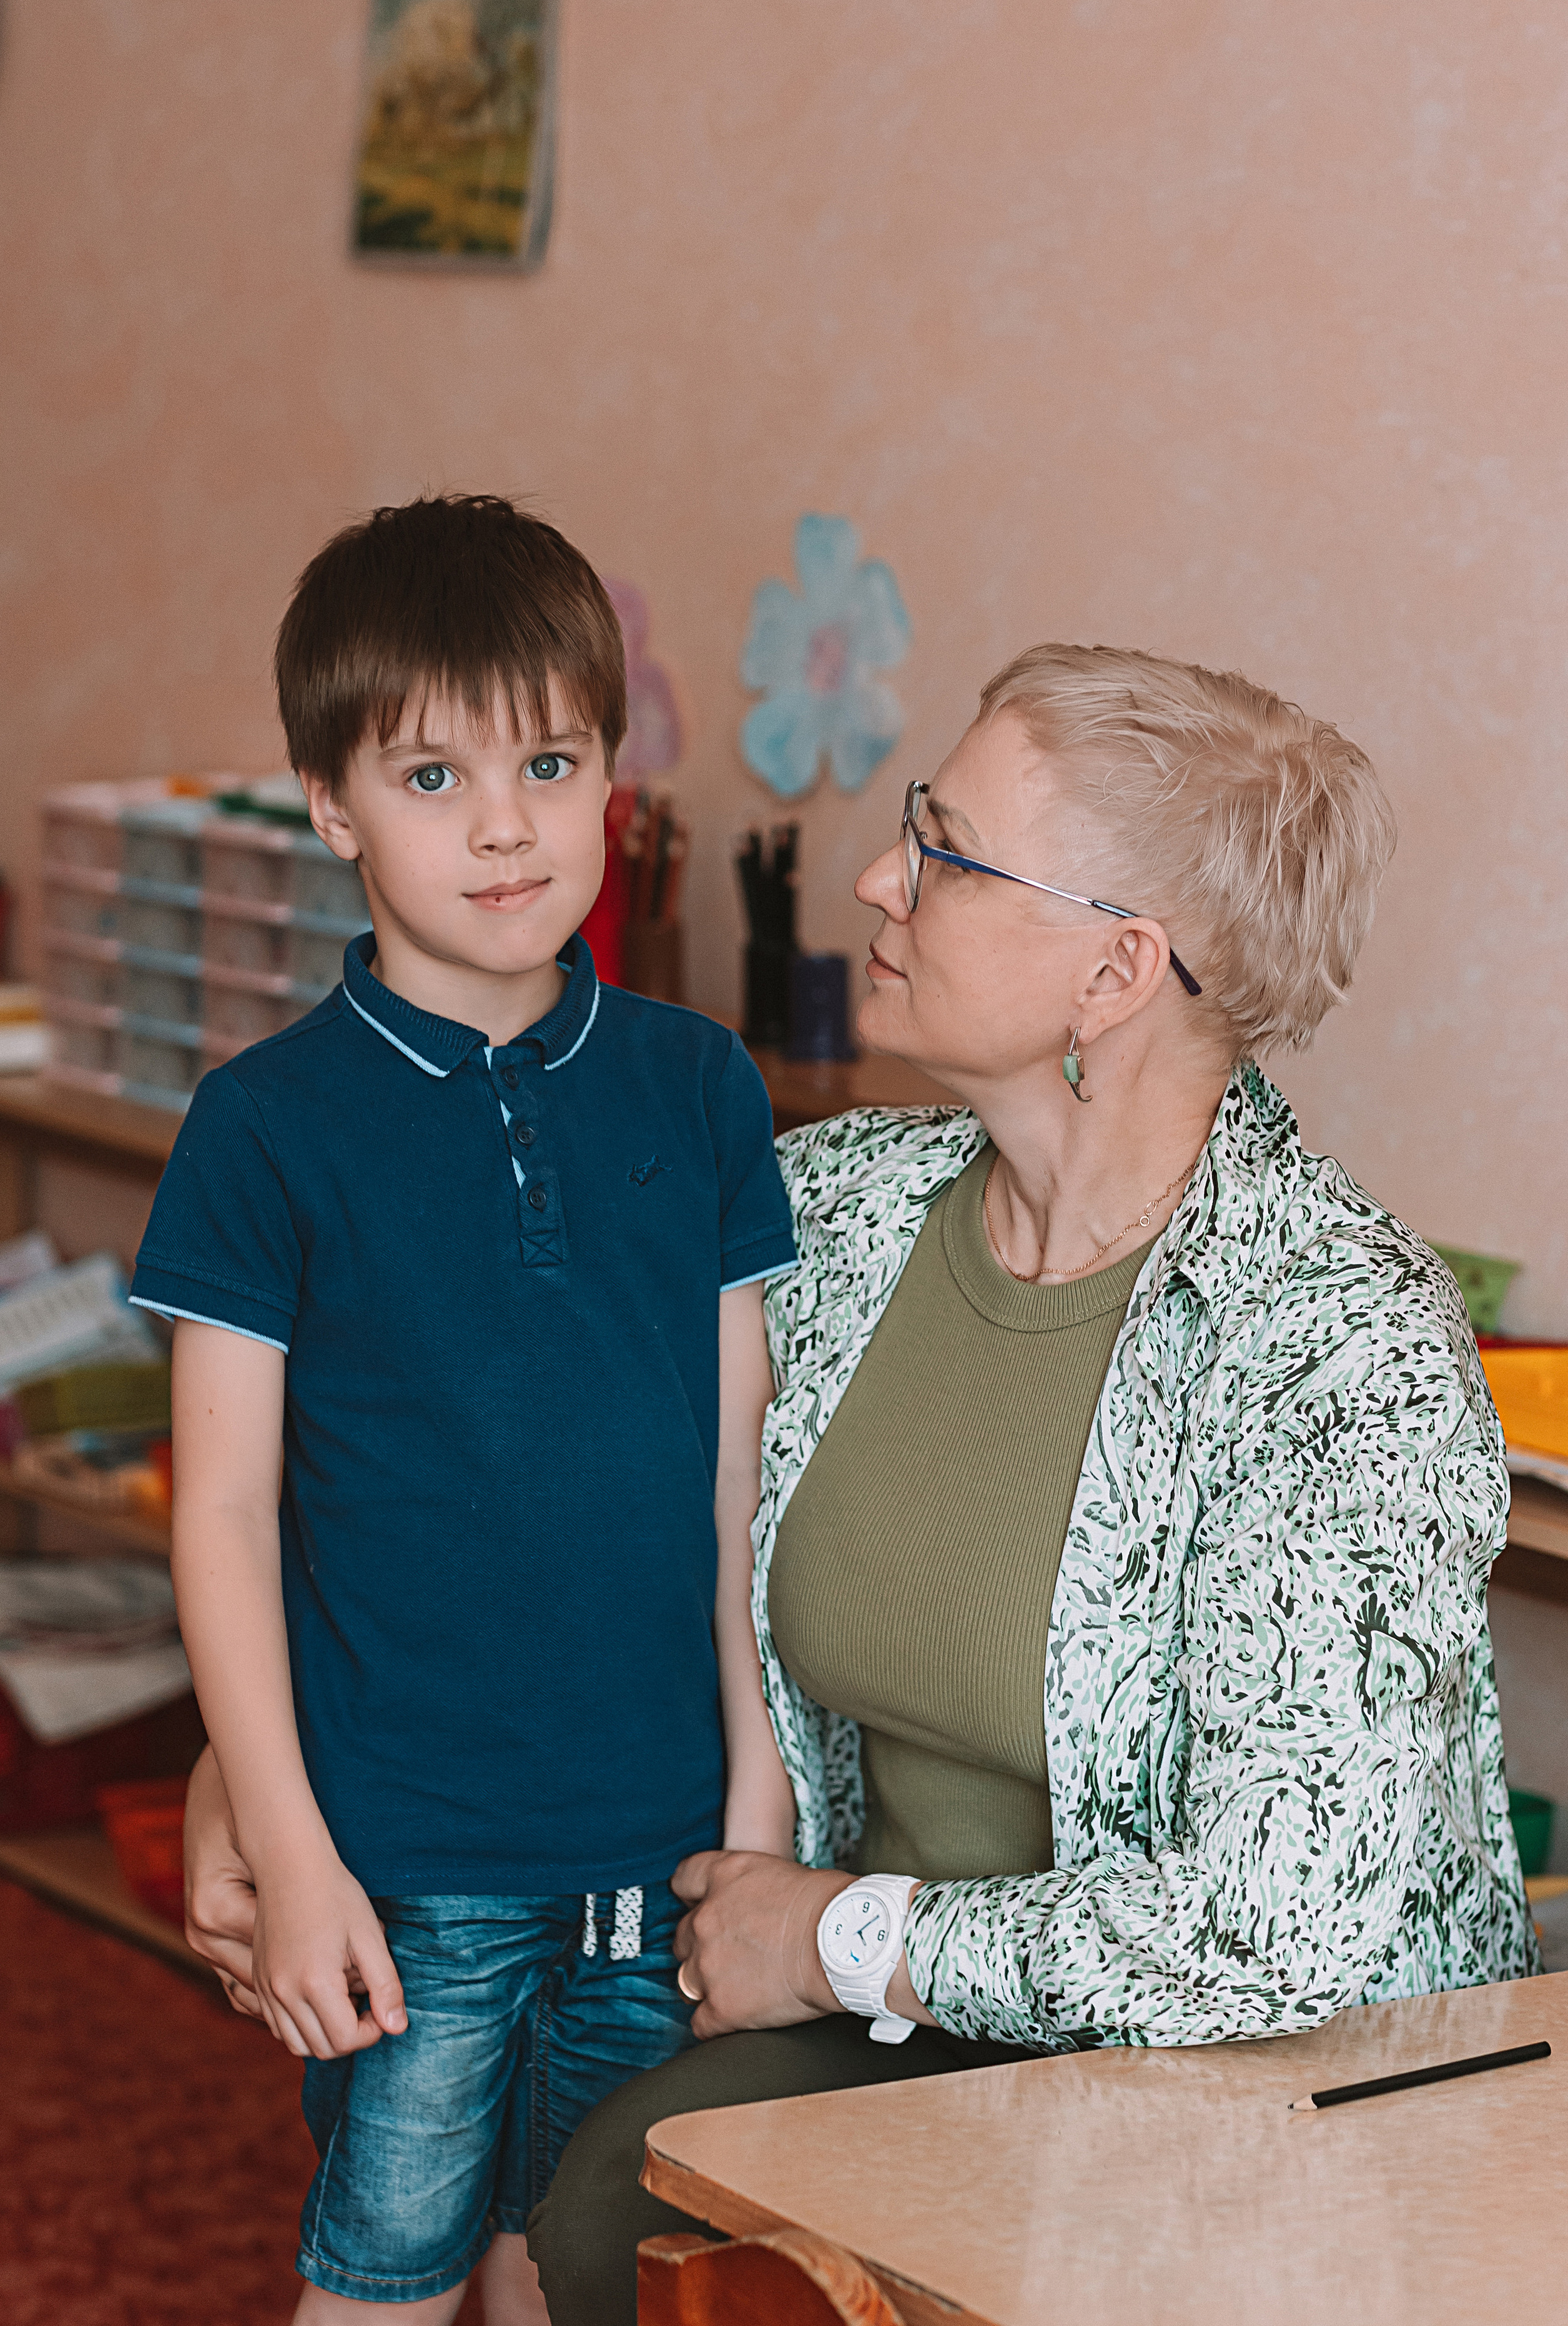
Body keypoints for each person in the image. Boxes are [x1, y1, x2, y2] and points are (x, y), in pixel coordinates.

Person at [187, 644, 1536, 2326]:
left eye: (950, 851)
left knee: (611, 2206)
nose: (877, 876)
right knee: (603, 2190)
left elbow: (1284, 1927)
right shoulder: (823, 1213)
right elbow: (492, 1500)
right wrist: (250, 1772)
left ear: (1118, 971)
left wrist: (832, 1937)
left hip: (1255, 2096)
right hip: (875, 2028)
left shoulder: (1344, 1340)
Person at [139, 496, 798, 2325]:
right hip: (403, 1860)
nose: (506, 824)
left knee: (588, 2275)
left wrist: (752, 1808)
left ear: (615, 779)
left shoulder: (702, 1085)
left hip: (661, 1856)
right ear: (330, 806)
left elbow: (741, 1479)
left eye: (551, 761)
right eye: (430, 777)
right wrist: (281, 1837)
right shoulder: (264, 1127)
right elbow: (221, 1518)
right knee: (386, 2282)